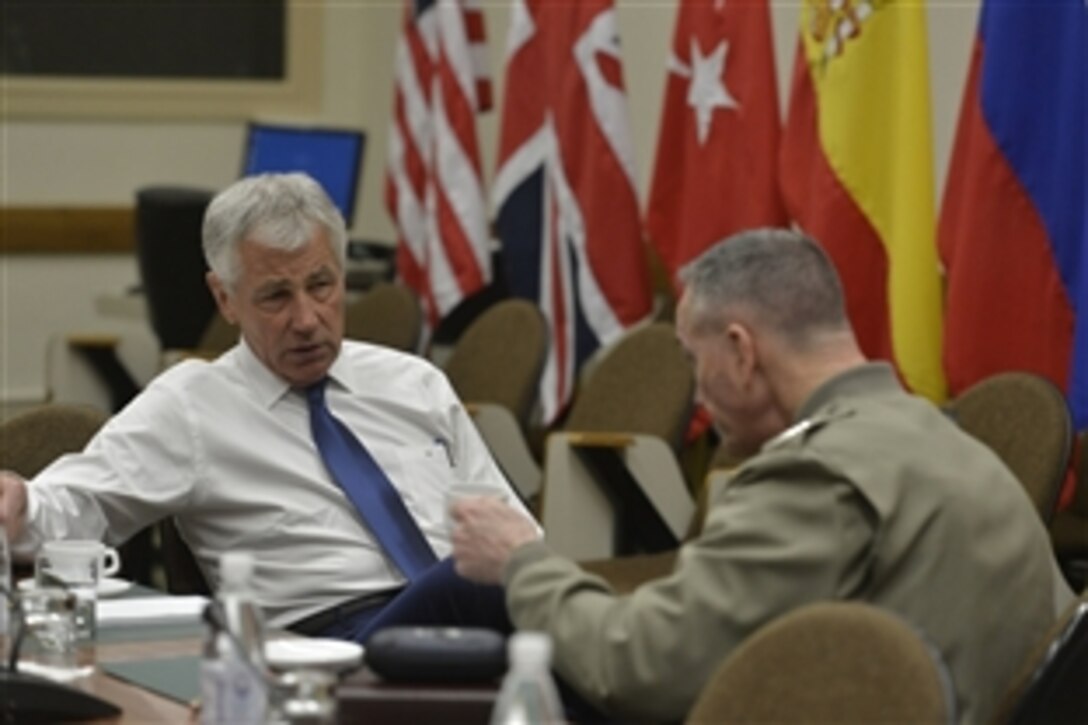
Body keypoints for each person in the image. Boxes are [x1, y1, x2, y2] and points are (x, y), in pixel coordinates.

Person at [448, 229, 1075, 723]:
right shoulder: (948, 437)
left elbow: (639, 669)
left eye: (696, 361)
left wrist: (522, 562)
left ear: (743, 351)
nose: (694, 392)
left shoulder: (816, 475)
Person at [0, 172, 528, 639]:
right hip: (332, 644)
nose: (306, 318)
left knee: (561, 610)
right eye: (276, 296)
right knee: (481, 577)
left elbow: (517, 535)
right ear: (225, 297)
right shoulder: (192, 406)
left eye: (321, 286)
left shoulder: (414, 382)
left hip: (465, 626)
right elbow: (80, 504)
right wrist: (22, 505)